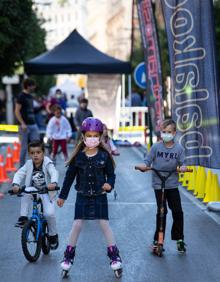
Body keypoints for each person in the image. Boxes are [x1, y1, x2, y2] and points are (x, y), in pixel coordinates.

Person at [57, 117, 122, 274]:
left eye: (95, 136)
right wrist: (62, 196)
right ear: (83, 137)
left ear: (100, 137)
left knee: (104, 225)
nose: (92, 139)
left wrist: (109, 184)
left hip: (100, 195)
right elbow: (69, 178)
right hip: (82, 195)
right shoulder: (78, 157)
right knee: (77, 225)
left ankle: (115, 257)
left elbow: (111, 175)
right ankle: (68, 257)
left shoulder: (104, 156)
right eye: (89, 135)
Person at [135, 119, 187, 253]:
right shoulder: (156, 147)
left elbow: (183, 163)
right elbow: (147, 160)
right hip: (159, 184)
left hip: (172, 184)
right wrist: (144, 166)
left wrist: (182, 168)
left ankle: (179, 238)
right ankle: (158, 239)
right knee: (162, 211)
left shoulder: (179, 149)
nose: (166, 134)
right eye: (164, 132)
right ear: (160, 132)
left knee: (177, 211)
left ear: (174, 133)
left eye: (169, 132)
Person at [12, 140, 59, 249]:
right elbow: (19, 173)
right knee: (26, 192)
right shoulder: (28, 164)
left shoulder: (47, 163)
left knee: (49, 214)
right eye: (32, 153)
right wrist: (16, 184)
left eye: (38, 152)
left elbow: (53, 172)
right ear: (29, 154)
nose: (35, 155)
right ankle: (23, 217)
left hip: (46, 191)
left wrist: (53, 183)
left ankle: (53, 235)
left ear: (43, 153)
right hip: (34, 191)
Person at [15, 78, 40, 167]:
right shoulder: (21, 96)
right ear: (28, 86)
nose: (34, 87)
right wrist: (22, 123)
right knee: (24, 147)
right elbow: (17, 111)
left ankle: (36, 165)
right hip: (24, 126)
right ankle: (21, 167)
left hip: (33, 124)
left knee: (36, 145)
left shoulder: (30, 96)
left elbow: (31, 110)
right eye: (33, 86)